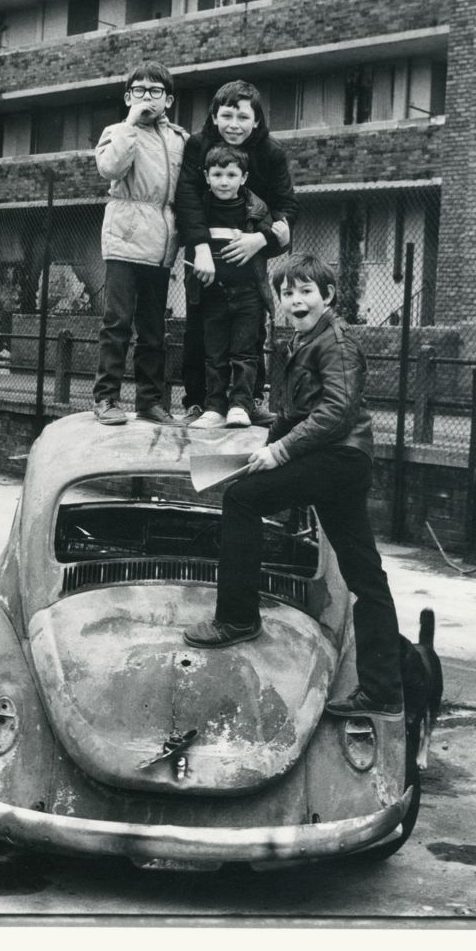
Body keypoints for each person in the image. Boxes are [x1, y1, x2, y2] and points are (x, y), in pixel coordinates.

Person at [183, 253, 404, 719]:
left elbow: (335, 413)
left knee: (241, 502)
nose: (296, 299)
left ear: (328, 297)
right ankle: (383, 690)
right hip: (339, 459)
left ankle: (237, 618)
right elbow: (293, 414)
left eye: (307, 291)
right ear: (280, 301)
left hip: (338, 457)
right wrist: (260, 454)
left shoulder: (336, 344)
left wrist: (279, 454)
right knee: (365, 574)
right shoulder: (304, 341)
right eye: (288, 292)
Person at [174, 80, 297, 427]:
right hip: (204, 256)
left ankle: (248, 402)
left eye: (243, 117)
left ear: (256, 121)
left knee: (250, 335)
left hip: (249, 262)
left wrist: (262, 240)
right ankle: (199, 403)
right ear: (214, 116)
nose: (234, 124)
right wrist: (199, 249)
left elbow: (286, 207)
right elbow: (186, 200)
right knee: (201, 331)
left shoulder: (271, 153)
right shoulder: (199, 147)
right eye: (226, 115)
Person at [92, 61, 188, 426]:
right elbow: (111, 169)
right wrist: (130, 124)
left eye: (156, 91)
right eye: (139, 90)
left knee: (153, 329)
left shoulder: (180, 139)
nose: (147, 97)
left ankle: (150, 401)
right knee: (116, 322)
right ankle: (106, 399)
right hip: (124, 239)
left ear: (170, 99)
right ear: (128, 96)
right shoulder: (116, 131)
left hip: (162, 245)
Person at [184, 145, 275, 429]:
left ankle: (240, 405)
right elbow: (187, 235)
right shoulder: (200, 208)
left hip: (248, 295)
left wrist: (266, 234)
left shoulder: (258, 209)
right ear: (207, 176)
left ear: (244, 178)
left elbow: (274, 239)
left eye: (232, 174)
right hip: (213, 294)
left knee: (246, 352)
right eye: (218, 174)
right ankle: (214, 407)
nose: (224, 181)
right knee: (215, 354)